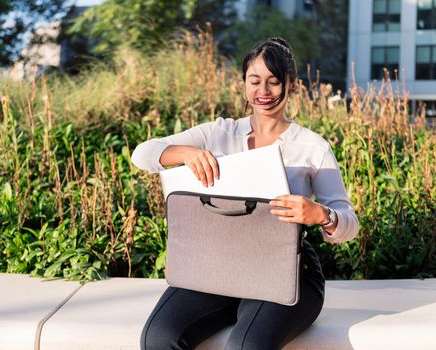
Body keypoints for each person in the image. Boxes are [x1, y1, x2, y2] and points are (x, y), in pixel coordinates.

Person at [131, 37, 359, 350]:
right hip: (215, 267)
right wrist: (185, 153)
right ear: (244, 84)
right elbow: (143, 154)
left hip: (287, 273)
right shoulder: (218, 132)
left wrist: (321, 215)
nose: (263, 92)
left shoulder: (312, 147)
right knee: (157, 337)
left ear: (291, 85)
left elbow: (349, 223)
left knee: (245, 346)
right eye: (255, 81)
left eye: (274, 82)